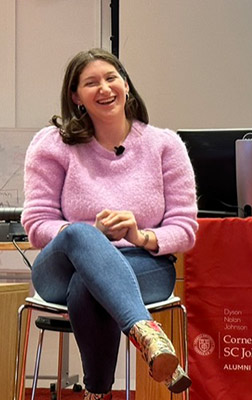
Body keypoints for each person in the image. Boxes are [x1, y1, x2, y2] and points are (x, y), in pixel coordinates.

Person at [21, 48, 199, 400]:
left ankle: (97, 393)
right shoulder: (53, 145)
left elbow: (185, 229)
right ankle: (144, 330)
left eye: (111, 78)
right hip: (60, 266)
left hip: (142, 264)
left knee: (87, 287)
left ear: (127, 86)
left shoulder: (164, 145)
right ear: (76, 97)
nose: (104, 88)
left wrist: (140, 234)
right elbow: (37, 223)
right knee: (78, 234)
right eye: (91, 83)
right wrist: (91, 236)